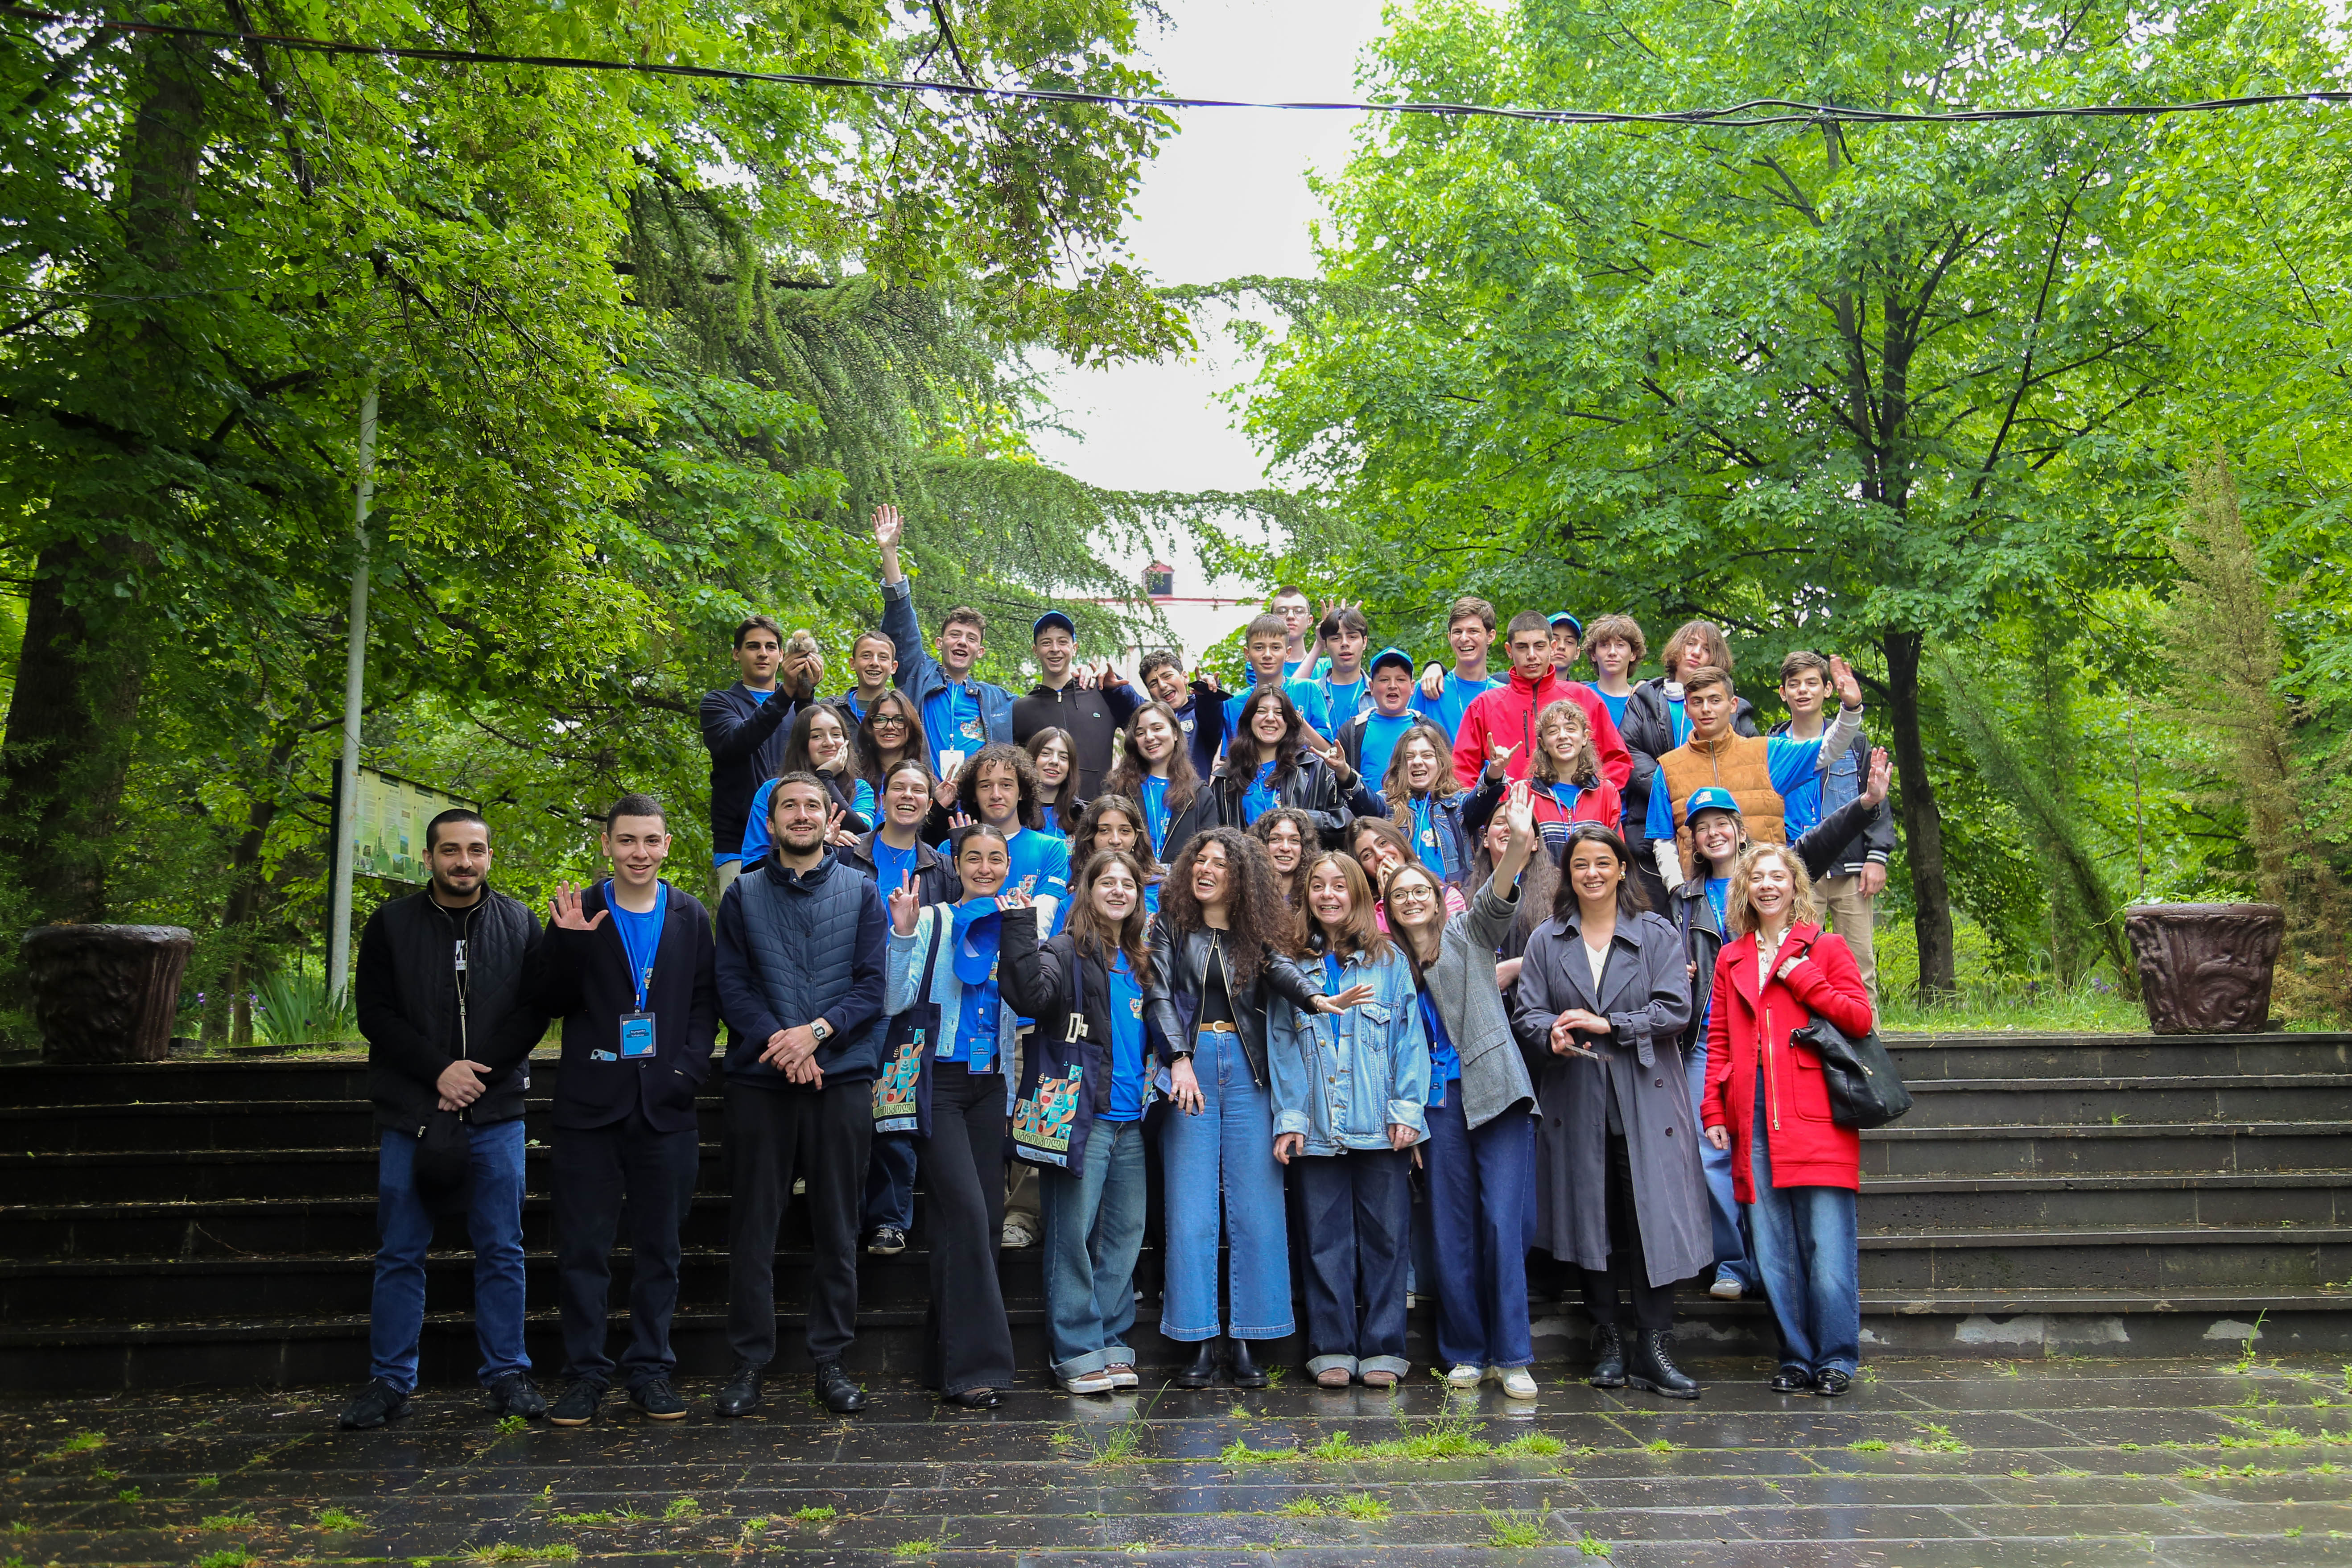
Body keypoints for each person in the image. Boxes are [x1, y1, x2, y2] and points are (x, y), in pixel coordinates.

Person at [342, 809, 549, 1430]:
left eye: (476, 850)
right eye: (452, 851)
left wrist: (475, 1075)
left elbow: (534, 1011)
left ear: (490, 857)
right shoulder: (391, 924)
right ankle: (390, 1379)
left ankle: (507, 1373)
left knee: (502, 1248)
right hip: (412, 1110)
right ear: (429, 858)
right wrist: (440, 1072)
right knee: (401, 1250)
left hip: (496, 1109)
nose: (464, 861)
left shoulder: (521, 922)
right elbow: (375, 1013)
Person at [1668, 753, 1893, 1303]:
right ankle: (1735, 1261)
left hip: (1780, 1038)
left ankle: (1778, 1264)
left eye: (1722, 823)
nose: (1714, 834)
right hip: (1709, 1034)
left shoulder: (1775, 874)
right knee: (1711, 1151)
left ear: (1740, 829)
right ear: (1693, 842)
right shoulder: (1684, 900)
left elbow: (1822, 839)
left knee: (1772, 1156)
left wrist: (1867, 806)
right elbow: (1662, 957)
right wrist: (1674, 974)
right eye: (1702, 828)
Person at [530, 795, 716, 1426]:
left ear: (667, 846)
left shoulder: (690, 914)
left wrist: (687, 1071)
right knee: (583, 1251)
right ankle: (585, 1374)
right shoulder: (578, 909)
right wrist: (570, 944)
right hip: (590, 1107)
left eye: (651, 841)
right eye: (628, 840)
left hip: (666, 1106)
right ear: (607, 844)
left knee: (660, 1250)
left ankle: (650, 1370)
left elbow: (704, 1002)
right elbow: (549, 1002)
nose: (640, 853)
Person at [1143, 829, 1350, 1390]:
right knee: (1191, 1210)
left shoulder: (1254, 932)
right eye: (1199, 861)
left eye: (1219, 864)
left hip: (1248, 1067)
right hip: (1189, 1069)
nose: (1205, 870)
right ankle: (1197, 1339)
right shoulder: (1169, 925)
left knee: (1257, 1209)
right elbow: (1158, 993)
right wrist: (1178, 1058)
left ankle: (1248, 1337)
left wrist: (1315, 998)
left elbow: (1281, 970)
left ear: (1242, 878)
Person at [713, 774, 888, 1420]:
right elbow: (731, 984)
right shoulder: (743, 894)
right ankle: (749, 1362)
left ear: (829, 816)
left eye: (812, 805)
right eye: (789, 805)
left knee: (837, 1227)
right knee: (753, 1228)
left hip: (840, 1079)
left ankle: (830, 1360)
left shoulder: (862, 891)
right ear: (771, 821)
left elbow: (872, 987)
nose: (801, 814)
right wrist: (782, 1044)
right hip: (761, 1082)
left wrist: (814, 1035)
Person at [1510, 823, 1706, 1400]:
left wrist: (1609, 1024)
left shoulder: (1655, 932)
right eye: (1580, 865)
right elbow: (1527, 1014)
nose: (1592, 873)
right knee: (1588, 1215)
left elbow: (1676, 1008)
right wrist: (1551, 1034)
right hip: (1577, 1096)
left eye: (1602, 862)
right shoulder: (1547, 939)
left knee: (1652, 1220)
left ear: (1622, 868)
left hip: (1647, 1097)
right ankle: (1607, 1340)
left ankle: (1655, 1345)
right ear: (1567, 875)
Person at [1703, 842, 1876, 1398]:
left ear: (1796, 886)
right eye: (1757, 878)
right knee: (1774, 1250)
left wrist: (1804, 978)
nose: (1768, 886)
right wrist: (1713, 1108)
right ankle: (1797, 1357)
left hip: (1817, 1113)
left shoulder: (1824, 947)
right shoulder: (1732, 958)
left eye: (1777, 876)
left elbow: (1859, 1018)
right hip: (1751, 1112)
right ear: (1745, 890)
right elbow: (1720, 1040)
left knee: (1827, 1247)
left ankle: (1836, 1358)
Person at [1385, 784, 1542, 1398]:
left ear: (1437, 896)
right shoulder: (1389, 965)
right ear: (1389, 908)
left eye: (1420, 890)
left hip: (1496, 1092)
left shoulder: (1468, 933)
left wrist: (1518, 843)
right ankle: (1466, 1352)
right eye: (1400, 895)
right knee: (1450, 1230)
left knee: (1503, 1222)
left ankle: (1512, 1354)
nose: (1412, 900)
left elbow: (1500, 890)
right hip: (1435, 1106)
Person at [1001, 849, 1159, 1394]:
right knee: (1071, 1236)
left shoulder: (1143, 959)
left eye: (1128, 884)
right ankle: (1075, 1350)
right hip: (1080, 1118)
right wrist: (1019, 926)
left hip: (1133, 1121)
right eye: (1106, 882)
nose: (1118, 891)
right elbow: (1029, 995)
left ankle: (1112, 1341)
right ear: (1087, 892)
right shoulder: (1065, 948)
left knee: (1124, 1237)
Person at [882, 825, 1027, 1407]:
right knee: (965, 1214)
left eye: (996, 859)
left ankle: (939, 1360)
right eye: (974, 858)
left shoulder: (1016, 922)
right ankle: (977, 1370)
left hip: (990, 1085)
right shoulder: (932, 920)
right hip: (936, 1082)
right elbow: (894, 1001)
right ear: (957, 864)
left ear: (1008, 866)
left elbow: (1029, 1004)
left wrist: (1023, 937)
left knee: (978, 1222)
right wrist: (901, 934)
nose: (985, 868)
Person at [1270, 851, 1427, 1390]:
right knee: (1323, 1242)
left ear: (1359, 894)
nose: (1329, 895)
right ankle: (1331, 1347)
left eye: (1340, 885)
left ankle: (1384, 1348)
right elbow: (1282, 1044)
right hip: (1316, 1125)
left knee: (1387, 1240)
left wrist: (1406, 1110)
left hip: (1379, 1125)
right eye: (1318, 885)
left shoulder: (1389, 961)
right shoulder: (1291, 965)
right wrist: (1291, 1117)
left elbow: (1409, 1040)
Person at [841, 757, 962, 1258]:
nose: (908, 796)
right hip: (851, 998)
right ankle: (844, 1217)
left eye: (918, 790)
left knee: (896, 1115)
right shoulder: (847, 856)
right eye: (899, 788)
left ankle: (889, 1221)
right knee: (850, 1116)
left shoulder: (942, 867)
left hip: (912, 1002)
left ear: (930, 803)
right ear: (883, 797)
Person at [1643, 659, 1867, 898]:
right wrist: (1678, 890)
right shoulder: (1668, 768)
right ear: (1687, 709)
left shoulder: (1767, 753)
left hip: (1767, 893)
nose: (1706, 709)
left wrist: (1851, 709)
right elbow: (1663, 841)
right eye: (1698, 702)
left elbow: (1828, 750)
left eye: (1715, 700)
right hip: (1702, 899)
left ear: (1733, 705)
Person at [1771, 651, 1894, 999]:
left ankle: (1866, 1034)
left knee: (1859, 966)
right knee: (1796, 963)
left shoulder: (1854, 743)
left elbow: (1876, 798)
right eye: (1794, 684)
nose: (1803, 691)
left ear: (1828, 690)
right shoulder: (1771, 747)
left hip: (1849, 871)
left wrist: (1878, 856)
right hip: (1795, 871)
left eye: (1812, 683)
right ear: (1782, 693)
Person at [1620, 621, 1759, 908]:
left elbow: (1752, 763)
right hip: (1649, 836)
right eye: (1690, 644)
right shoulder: (1645, 699)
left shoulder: (1735, 710)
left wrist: (1701, 795)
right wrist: (1674, 787)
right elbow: (1629, 751)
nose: (1695, 653)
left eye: (1706, 649)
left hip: (1717, 838)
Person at [874, 503, 1015, 774]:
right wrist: (889, 551)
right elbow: (902, 624)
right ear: (940, 643)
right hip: (922, 791)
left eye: (971, 639)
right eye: (955, 635)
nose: (962, 642)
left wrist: (1080, 680)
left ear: (980, 651)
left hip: (975, 797)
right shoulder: (918, 676)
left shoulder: (997, 700)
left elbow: (1044, 708)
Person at [1450, 610, 1631, 796]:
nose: (1531, 655)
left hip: (1573, 811)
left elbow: (1618, 761)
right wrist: (1488, 808)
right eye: (1522, 647)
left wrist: (1592, 799)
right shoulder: (1484, 705)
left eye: (1539, 646)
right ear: (1509, 651)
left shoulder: (1583, 698)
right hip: (1506, 811)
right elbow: (1461, 772)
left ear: (1552, 648)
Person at [701, 615, 819, 895]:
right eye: (753, 646)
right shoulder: (719, 703)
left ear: (782, 655)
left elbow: (816, 761)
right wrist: (787, 693)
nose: (763, 654)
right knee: (741, 921)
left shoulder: (800, 707)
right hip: (739, 848)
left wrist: (805, 695)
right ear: (736, 654)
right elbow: (737, 742)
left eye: (771, 647)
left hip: (799, 843)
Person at [1462, 698, 1624, 854]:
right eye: (1553, 731)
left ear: (1585, 737)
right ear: (1543, 744)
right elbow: (1512, 851)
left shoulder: (1606, 793)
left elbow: (1616, 853)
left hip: (1590, 873)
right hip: (1539, 873)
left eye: (1571, 729)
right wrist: (1495, 772)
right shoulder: (1524, 792)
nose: (1563, 736)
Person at [1211, 684, 1370, 841]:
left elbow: (1346, 822)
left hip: (1302, 857)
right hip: (1245, 857)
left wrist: (1304, 817)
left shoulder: (1313, 769)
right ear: (1249, 720)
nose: (1270, 718)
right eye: (1261, 711)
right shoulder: (1226, 779)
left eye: (1279, 713)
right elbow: (1212, 836)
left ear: (1289, 722)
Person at [1013, 610, 1142, 798]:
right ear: (1035, 651)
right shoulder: (1021, 709)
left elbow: (1147, 718)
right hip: (1042, 814)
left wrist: (1118, 690)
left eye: (1062, 642)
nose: (1055, 649)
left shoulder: (1103, 694)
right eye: (1046, 643)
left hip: (1098, 811)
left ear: (1074, 648)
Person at [942, 744, 1069, 922]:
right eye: (986, 786)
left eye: (1006, 785)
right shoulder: (949, 847)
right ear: (974, 795)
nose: (996, 795)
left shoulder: (1052, 848)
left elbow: (1044, 919)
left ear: (1022, 792)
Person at [743, 703, 874, 862]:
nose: (829, 742)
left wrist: (825, 777)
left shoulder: (860, 788)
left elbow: (862, 834)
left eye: (836, 734)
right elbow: (753, 862)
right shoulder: (771, 790)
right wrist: (817, 841)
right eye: (817, 736)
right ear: (802, 744)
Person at [1106, 701, 1214, 869]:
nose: (1149, 737)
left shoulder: (1200, 794)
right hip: (1129, 880)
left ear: (1176, 733)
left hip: (1182, 882)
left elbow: (1210, 851)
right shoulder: (1119, 789)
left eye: (1157, 729)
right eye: (1141, 733)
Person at [1378, 721, 1474, 887]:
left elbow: (1481, 803)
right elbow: (1365, 802)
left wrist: (1493, 776)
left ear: (1440, 763)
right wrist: (1345, 774)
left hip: (1453, 897)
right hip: (1405, 895)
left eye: (1427, 755)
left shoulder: (1458, 803)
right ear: (1400, 766)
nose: (1417, 762)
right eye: (1409, 757)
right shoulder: (1387, 805)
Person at [1226, 613, 1335, 742]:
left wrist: (1300, 723)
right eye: (1259, 648)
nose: (1267, 655)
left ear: (1288, 653)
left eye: (1276, 648)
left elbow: (1327, 749)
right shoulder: (1233, 703)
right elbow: (1228, 751)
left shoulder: (1309, 690)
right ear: (1247, 654)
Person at [1412, 596, 1502, 739]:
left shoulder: (1504, 695)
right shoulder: (1428, 689)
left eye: (1473, 631)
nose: (1464, 638)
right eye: (1458, 632)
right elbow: (1404, 743)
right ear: (1449, 637)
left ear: (1490, 636)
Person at [1349, 817, 1467, 925]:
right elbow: (1381, 939)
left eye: (1383, 843)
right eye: (1368, 855)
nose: (1380, 855)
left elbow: (1450, 938)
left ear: (1399, 843)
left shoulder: (1447, 896)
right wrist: (1386, 901)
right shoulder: (1364, 914)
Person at [1336, 647, 1423, 792]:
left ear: (1412, 687)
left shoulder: (1428, 728)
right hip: (1367, 806)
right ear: (1372, 687)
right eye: (1384, 680)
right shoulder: (1352, 731)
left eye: (1401, 680)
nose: (1393, 686)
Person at [1138, 650, 1226, 785]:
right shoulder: (1148, 718)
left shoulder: (1200, 715)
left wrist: (1207, 693)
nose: (1162, 685)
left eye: (1167, 676)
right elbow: (1130, 701)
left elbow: (1210, 714)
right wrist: (1114, 690)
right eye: (1154, 684)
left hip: (1194, 796)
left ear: (1185, 677)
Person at [1073, 794, 1166, 916]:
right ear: (1090, 837)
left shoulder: (1160, 888)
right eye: (1104, 831)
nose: (1115, 840)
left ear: (1136, 838)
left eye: (1125, 831)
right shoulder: (1073, 887)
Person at [856, 689, 935, 808]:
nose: (890, 727)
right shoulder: (853, 778)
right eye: (881, 719)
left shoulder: (926, 781)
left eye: (900, 720)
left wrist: (942, 807)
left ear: (911, 728)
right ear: (869, 728)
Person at [1249, 806, 1316, 921]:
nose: (1285, 848)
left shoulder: (1314, 896)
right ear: (1260, 844)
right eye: (1276, 839)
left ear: (1305, 848)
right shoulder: (1246, 895)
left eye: (1294, 840)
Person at [1311, 604, 1373, 718]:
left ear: (1365, 642)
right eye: (1336, 638)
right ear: (1325, 645)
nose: (1345, 643)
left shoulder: (1380, 694)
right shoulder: (1311, 693)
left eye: (1352, 637)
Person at [1025, 726, 1085, 835]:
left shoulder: (1082, 814)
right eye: (1046, 753)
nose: (1055, 761)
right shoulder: (1014, 812)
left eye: (1063, 757)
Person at [834, 630, 899, 726]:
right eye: (866, 656)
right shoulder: (832, 709)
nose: (875, 663)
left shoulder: (902, 713)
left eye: (883, 657)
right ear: (853, 664)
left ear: (893, 667)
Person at [1548, 613, 1583, 684]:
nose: (1562, 646)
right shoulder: (1526, 689)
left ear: (1577, 653)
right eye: (1554, 640)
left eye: (1569, 642)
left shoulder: (1582, 690)